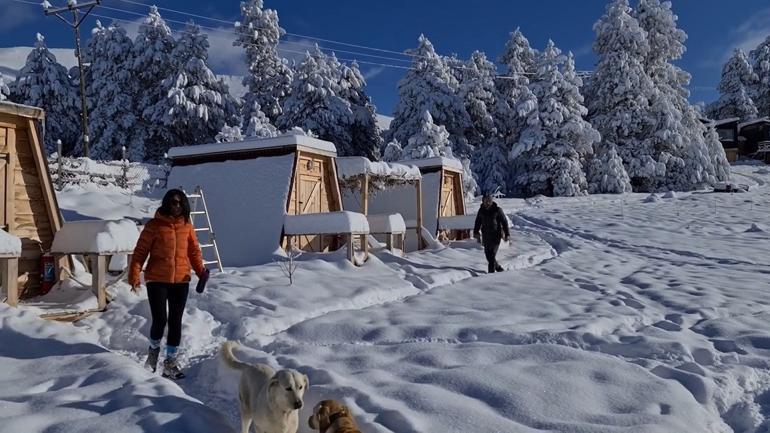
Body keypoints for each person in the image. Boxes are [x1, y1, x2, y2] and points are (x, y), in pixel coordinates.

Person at [129, 189, 207, 380]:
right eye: (173, 202)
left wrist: (201, 271)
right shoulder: (154, 225)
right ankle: (153, 356)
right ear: (166, 203)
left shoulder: (187, 226)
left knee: (175, 322)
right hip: (157, 280)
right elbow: (140, 252)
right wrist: (134, 273)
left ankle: (170, 363)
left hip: (181, 280)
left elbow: (194, 251)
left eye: (180, 203)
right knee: (160, 320)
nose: (176, 206)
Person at [473, 194, 510, 273]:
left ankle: (491, 275)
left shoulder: (497, 210)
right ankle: (499, 269)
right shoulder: (481, 210)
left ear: (491, 201)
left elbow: (504, 222)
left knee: (492, 256)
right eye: (485, 201)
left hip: (496, 236)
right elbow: (478, 222)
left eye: (489, 201)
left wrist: (507, 234)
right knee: (488, 256)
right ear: (483, 201)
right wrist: (476, 232)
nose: (487, 203)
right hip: (486, 236)